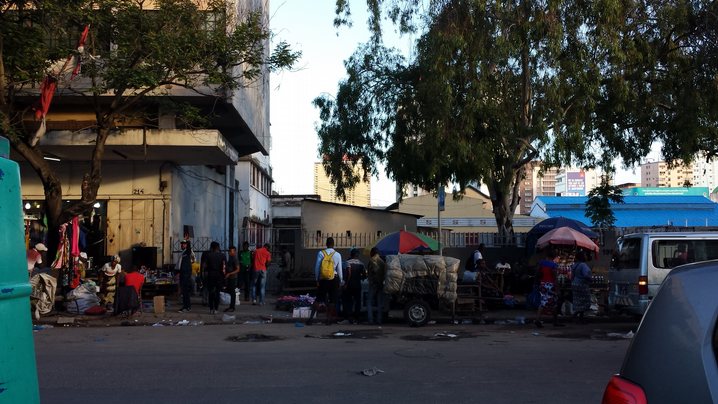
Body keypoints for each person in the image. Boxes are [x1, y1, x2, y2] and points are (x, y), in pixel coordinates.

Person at [306, 237, 342, 326]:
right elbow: (339, 269)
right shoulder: (337, 254)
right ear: (333, 244)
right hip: (334, 278)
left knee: (318, 299)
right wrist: (340, 281)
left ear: (326, 244)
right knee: (332, 300)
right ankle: (328, 320)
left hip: (323, 279)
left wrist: (317, 278)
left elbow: (317, 267)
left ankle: (311, 319)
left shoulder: (321, 253)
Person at [534, 250, 564, 328]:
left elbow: (537, 273)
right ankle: (555, 321)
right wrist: (558, 290)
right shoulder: (553, 265)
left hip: (543, 283)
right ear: (554, 256)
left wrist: (535, 281)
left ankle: (537, 319)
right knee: (554, 303)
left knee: (543, 302)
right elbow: (555, 278)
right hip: (551, 284)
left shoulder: (541, 262)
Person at [341, 247, 366, 324]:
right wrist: (359, 278)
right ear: (358, 255)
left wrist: (346, 284)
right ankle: (356, 318)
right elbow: (364, 275)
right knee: (357, 302)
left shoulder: (347, 263)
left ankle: (346, 318)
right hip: (357, 285)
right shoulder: (361, 264)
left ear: (351, 254)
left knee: (346, 301)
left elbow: (348, 273)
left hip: (349, 285)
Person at [202, 241, 226, 314]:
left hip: (210, 275)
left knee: (211, 292)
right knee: (217, 292)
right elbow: (224, 267)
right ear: (218, 248)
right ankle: (216, 309)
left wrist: (209, 267)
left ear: (212, 248)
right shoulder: (222, 256)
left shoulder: (208, 255)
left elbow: (203, 265)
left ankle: (211, 309)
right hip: (219, 276)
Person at [570, 251, 592, 325]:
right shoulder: (583, 265)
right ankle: (575, 315)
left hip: (575, 284)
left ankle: (581, 319)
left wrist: (573, 283)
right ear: (582, 257)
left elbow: (572, 276)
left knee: (579, 301)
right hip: (582, 284)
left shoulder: (575, 265)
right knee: (586, 301)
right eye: (585, 255)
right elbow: (586, 275)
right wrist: (591, 279)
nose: (586, 257)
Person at [366, 247, 386, 325]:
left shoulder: (372, 260)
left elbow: (375, 270)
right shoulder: (381, 261)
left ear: (372, 253)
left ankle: (370, 319)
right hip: (380, 283)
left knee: (369, 302)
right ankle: (379, 319)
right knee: (379, 302)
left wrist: (375, 280)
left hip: (374, 283)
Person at [176, 236, 193, 313]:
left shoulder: (187, 252)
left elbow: (189, 249)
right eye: (182, 244)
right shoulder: (183, 253)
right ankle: (186, 306)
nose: (183, 245)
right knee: (183, 290)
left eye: (184, 244)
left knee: (185, 290)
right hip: (183, 272)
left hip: (186, 273)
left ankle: (187, 306)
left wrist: (188, 242)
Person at [223, 246, 240, 312]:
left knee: (232, 292)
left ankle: (232, 306)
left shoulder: (235, 259)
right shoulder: (231, 258)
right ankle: (231, 306)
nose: (229, 252)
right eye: (229, 251)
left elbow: (237, 269)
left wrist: (230, 273)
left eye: (230, 251)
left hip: (232, 277)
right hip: (229, 277)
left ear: (234, 251)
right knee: (229, 290)